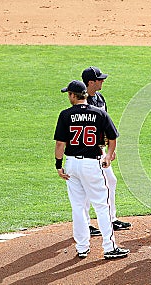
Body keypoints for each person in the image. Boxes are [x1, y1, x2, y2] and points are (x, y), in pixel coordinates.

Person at [54, 80, 129, 259]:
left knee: (78, 207)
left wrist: (58, 165)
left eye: (69, 94)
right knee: (102, 206)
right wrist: (109, 155)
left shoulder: (65, 115)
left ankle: (82, 247)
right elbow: (112, 137)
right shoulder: (99, 114)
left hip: (72, 164)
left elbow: (59, 144)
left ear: (73, 95)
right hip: (92, 164)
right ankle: (109, 247)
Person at [81, 66, 131, 236]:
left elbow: (107, 124)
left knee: (111, 180)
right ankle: (85, 223)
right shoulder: (83, 100)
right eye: (99, 79)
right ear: (90, 82)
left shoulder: (100, 98)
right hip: (87, 151)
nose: (102, 81)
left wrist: (110, 149)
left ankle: (111, 218)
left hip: (101, 150)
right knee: (87, 186)